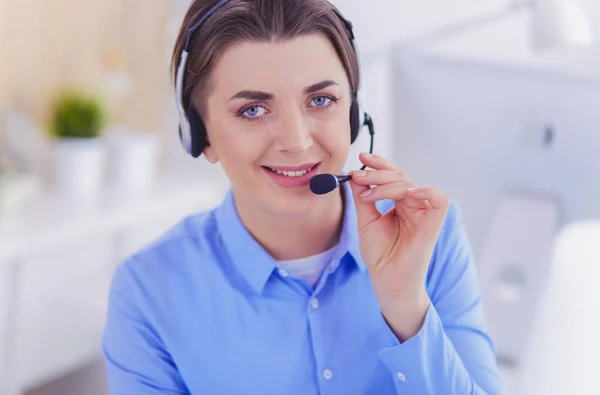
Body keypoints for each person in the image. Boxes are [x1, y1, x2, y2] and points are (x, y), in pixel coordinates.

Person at [101, 0, 503, 394]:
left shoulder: (429, 237)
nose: (296, 142)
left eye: (320, 100)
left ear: (353, 113)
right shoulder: (149, 291)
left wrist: (406, 308)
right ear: (200, 135)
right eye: (253, 110)